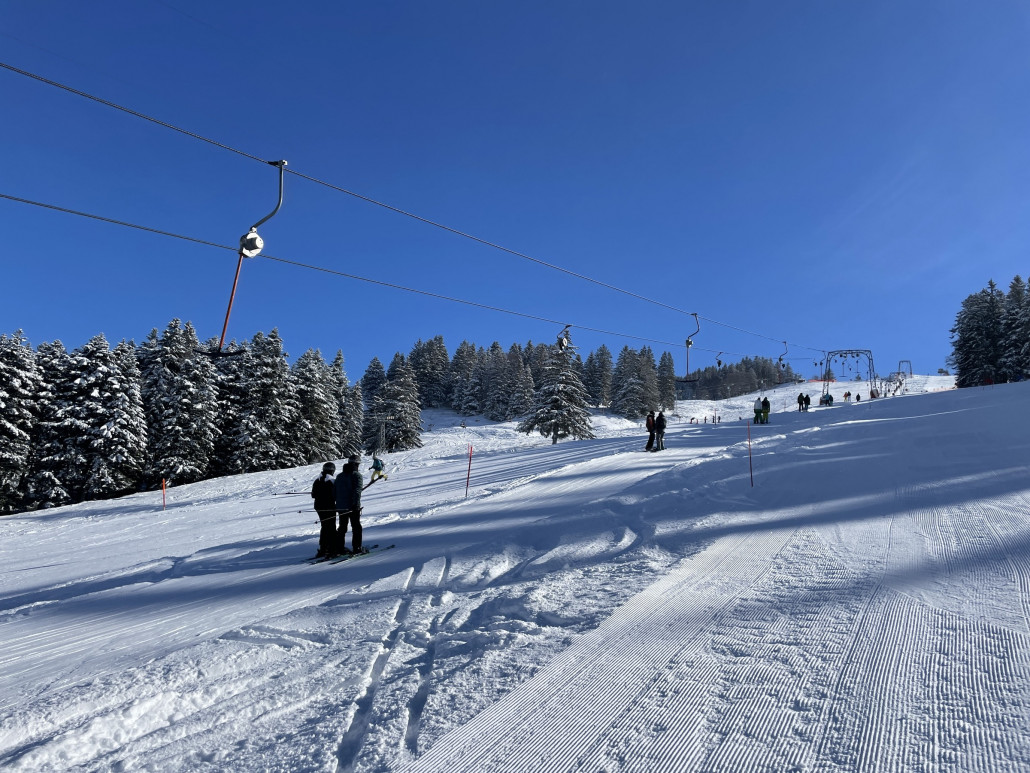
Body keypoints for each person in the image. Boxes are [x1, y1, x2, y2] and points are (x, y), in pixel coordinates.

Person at [335, 454, 366, 554]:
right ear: (357, 464)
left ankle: (339, 548)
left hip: (340, 507)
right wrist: (356, 504)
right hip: (352, 506)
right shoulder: (357, 475)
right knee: (356, 527)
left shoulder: (339, 476)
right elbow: (357, 491)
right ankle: (357, 548)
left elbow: (334, 491)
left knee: (342, 527)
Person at [311, 462, 337, 558]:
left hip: (318, 506)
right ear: (332, 470)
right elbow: (335, 495)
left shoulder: (317, 480)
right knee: (331, 526)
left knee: (324, 526)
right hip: (329, 507)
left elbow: (313, 495)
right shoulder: (331, 480)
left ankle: (323, 548)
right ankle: (331, 549)